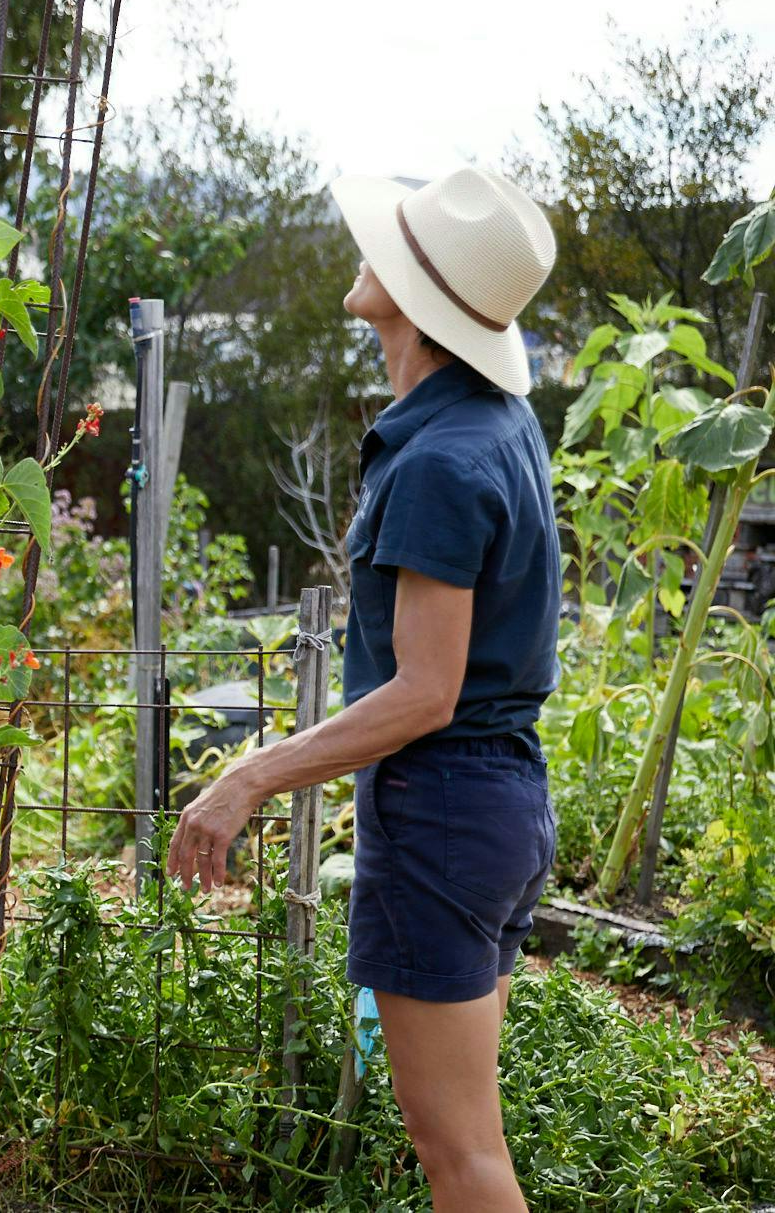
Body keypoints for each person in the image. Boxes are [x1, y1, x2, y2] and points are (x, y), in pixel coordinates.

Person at [166, 166, 561, 1211]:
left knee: (458, 1152)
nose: (361, 250)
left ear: (413, 293)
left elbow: (423, 692)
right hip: (499, 803)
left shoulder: (438, 459)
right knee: (467, 1135)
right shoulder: (493, 427)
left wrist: (248, 774)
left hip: (440, 808)